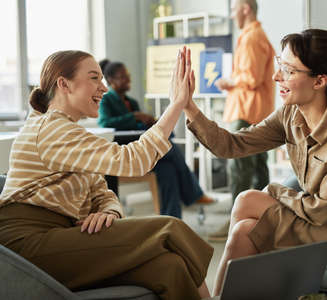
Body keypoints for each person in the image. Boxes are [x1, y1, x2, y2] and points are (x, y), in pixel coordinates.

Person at [184, 29, 327, 296]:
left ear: (319, 81)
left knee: (248, 202)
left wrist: (274, 191)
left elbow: (320, 211)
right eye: (280, 65)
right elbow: (232, 145)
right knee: (244, 230)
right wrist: (189, 106)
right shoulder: (290, 114)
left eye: (290, 71)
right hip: (317, 222)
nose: (276, 77)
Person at [0, 47, 213, 300]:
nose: (104, 87)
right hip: (25, 247)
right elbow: (134, 160)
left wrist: (109, 211)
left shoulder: (69, 133)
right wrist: (177, 104)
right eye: (94, 78)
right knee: (169, 228)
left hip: (61, 237)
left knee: (169, 268)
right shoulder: (49, 129)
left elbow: (102, 192)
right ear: (63, 84)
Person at [97, 59, 215, 218]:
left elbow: (138, 127)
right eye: (122, 77)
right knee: (170, 147)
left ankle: (171, 220)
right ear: (111, 80)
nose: (128, 80)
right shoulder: (106, 100)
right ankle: (194, 193)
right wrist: (135, 116)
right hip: (127, 150)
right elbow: (104, 123)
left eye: (128, 75)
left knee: (168, 170)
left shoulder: (132, 101)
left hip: (143, 147)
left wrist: (150, 121)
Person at [210, 0, 275, 241]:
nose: (231, 13)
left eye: (233, 7)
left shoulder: (251, 38)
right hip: (257, 111)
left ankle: (236, 222)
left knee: (239, 168)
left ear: (245, 8)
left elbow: (251, 77)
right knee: (257, 168)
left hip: (247, 111)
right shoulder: (256, 35)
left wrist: (228, 81)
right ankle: (260, 221)